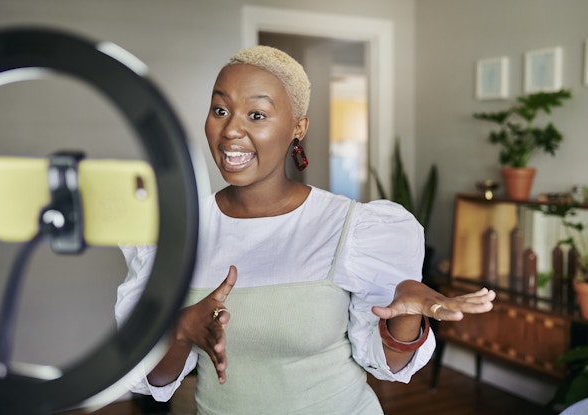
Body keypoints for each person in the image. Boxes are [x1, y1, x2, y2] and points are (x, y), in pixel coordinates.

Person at [115, 45, 496, 414]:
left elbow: (389, 366)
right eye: (220, 110)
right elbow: (157, 380)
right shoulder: (180, 233)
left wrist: (407, 314)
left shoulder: (351, 227)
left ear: (297, 127)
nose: (231, 129)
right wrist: (181, 329)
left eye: (257, 115)